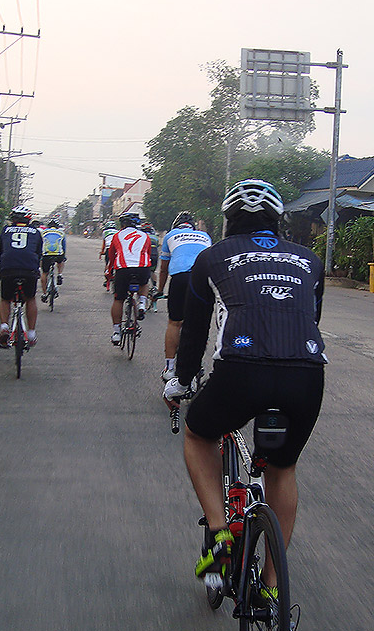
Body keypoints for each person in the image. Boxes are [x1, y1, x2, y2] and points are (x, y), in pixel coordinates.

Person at [163, 180, 326, 595]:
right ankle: (271, 586)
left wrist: (181, 383)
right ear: (278, 219)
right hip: (306, 375)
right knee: (282, 469)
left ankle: (220, 532)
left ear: (228, 220)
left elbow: (194, 334)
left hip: (240, 373)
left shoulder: (211, 258)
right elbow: (311, 320)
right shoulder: (309, 260)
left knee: (198, 434)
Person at [158, 211, 212, 381]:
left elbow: (164, 269)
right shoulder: (205, 236)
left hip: (180, 277)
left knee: (174, 323)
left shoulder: (170, 235)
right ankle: (197, 364)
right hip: (203, 278)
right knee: (199, 324)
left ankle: (169, 368)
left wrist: (160, 290)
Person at [0, 208, 43, 348]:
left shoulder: (5, 230)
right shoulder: (35, 232)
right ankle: (31, 333)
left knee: (5, 299)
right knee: (30, 299)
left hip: (8, 269)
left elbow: (2, 251)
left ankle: (4, 326)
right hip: (29, 270)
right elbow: (38, 254)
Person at [105, 211, 151, 345]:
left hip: (123, 269)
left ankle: (116, 333)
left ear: (122, 224)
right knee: (144, 284)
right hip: (142, 268)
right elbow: (148, 254)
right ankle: (142, 303)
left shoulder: (117, 235)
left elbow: (111, 256)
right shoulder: (145, 236)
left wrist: (109, 273)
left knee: (118, 299)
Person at [40, 217, 67, 300]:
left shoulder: (43, 232)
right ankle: (59, 274)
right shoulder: (61, 232)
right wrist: (64, 255)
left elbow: (40, 244)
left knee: (44, 273)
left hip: (46, 254)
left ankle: (44, 293)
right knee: (61, 261)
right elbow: (63, 245)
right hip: (58, 254)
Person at [99, 220, 118, 291]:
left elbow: (104, 243)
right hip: (117, 248)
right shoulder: (118, 232)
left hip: (109, 248)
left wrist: (102, 251)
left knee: (108, 263)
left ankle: (106, 279)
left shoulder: (105, 232)